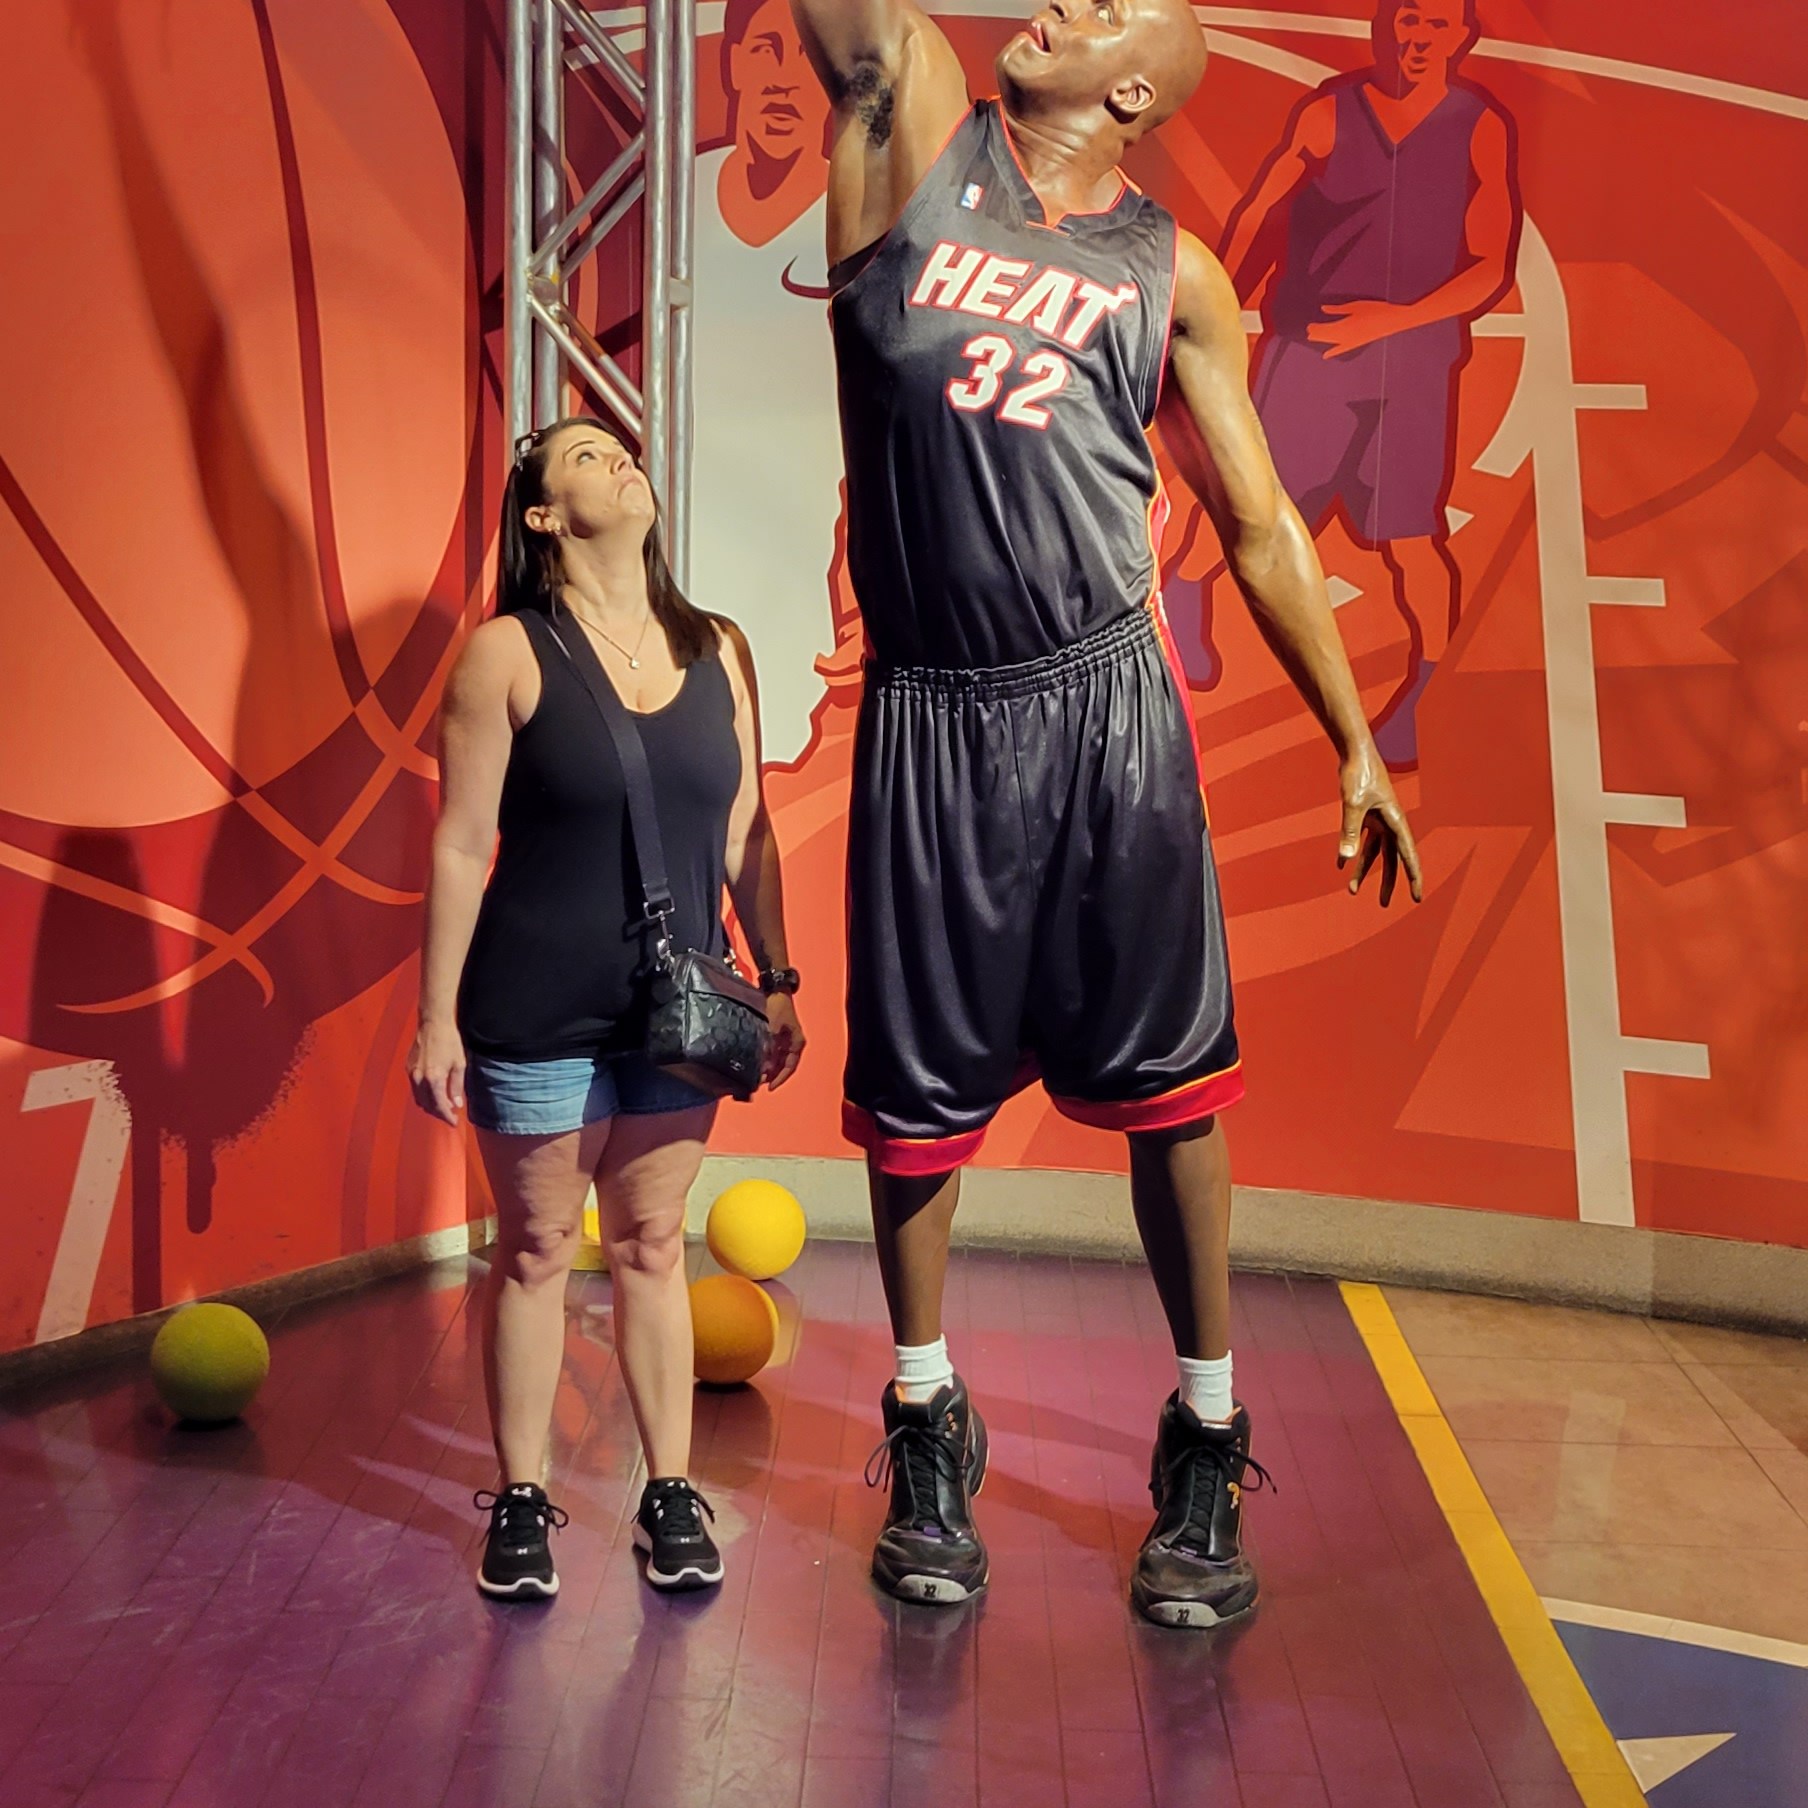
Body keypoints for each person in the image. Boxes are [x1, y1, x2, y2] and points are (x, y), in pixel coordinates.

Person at [787, 0, 1421, 1626]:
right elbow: (859, 31)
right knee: (915, 1098)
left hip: (1105, 706)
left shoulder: (1170, 272)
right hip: (936, 710)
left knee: (1170, 1092)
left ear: (1135, 87)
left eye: (1107, 5)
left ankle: (1206, 1430)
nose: (1061, 3)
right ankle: (926, 1416)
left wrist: (1353, 739)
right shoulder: (912, 158)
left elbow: (1259, 523)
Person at [408, 419, 805, 1601]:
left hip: (679, 1012)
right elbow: (460, 842)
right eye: (583, 456)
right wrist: (436, 1018)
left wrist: (778, 975)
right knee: (535, 1251)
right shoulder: (504, 653)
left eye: (619, 449)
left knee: (649, 1244)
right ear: (541, 515)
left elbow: (745, 831)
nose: (619, 460)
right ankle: (521, 1495)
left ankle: (668, 1488)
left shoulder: (717, 647)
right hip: (533, 1006)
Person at [1220, 0, 1519, 770]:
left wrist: (1395, 322)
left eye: (1436, 25)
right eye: (1408, 20)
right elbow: (1261, 215)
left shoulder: (1478, 126)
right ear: (1389, 27)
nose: (1418, 37)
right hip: (1309, 350)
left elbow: (1489, 265)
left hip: (1411, 364)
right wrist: (1215, 303)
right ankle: (1185, 595)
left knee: (1413, 538)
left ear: (1462, 36)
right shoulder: (1329, 115)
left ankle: (1429, 690)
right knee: (1249, 505)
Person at [691, 0, 845, 765]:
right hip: (682, 539)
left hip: (798, 551)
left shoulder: (863, 210)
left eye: (804, 55)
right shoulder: (681, 193)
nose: (783, 79)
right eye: (764, 51)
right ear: (732, 65)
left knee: (773, 757)